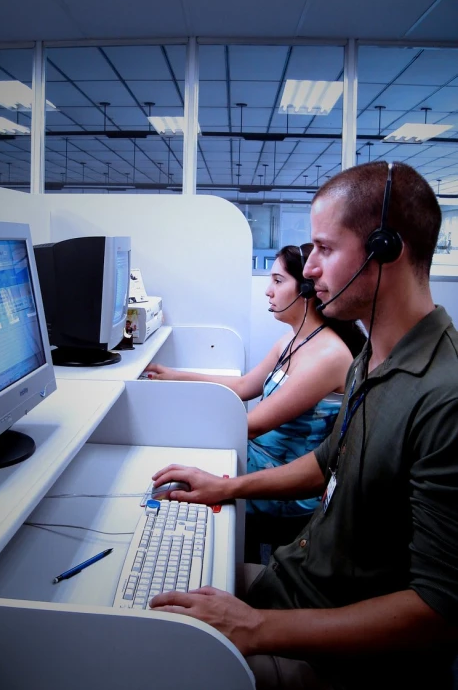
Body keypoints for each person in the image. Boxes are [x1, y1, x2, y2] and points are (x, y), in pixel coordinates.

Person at [149, 161, 458, 689]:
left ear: (387, 250)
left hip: (336, 657)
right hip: (295, 585)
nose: (310, 269)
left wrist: (257, 628)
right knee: (148, 609)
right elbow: (325, 462)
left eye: (325, 249)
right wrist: (226, 487)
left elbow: (437, 612)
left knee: (152, 664)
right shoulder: (373, 358)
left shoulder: (444, 397)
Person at [146, 244, 365, 558]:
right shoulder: (293, 340)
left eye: (277, 281)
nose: (267, 291)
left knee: (177, 487)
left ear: (306, 289)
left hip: (286, 488)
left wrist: (169, 418)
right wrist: (175, 376)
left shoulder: (328, 356)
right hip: (262, 461)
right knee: (180, 473)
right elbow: (242, 385)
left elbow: (250, 425)